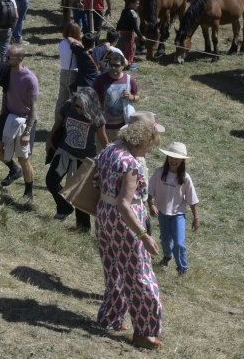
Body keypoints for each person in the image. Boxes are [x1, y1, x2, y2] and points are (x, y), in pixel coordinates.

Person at [95, 113, 166, 350]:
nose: (149, 149)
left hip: (104, 216)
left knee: (114, 269)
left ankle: (110, 317)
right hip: (125, 223)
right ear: (140, 139)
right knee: (141, 276)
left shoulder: (109, 150)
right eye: (149, 144)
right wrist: (143, 235)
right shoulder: (131, 164)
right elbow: (125, 205)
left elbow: (97, 180)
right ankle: (144, 332)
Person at [45, 87, 105, 231]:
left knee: (79, 195)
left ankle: (83, 228)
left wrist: (108, 159)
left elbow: (104, 140)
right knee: (51, 181)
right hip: (64, 152)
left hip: (84, 160)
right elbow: (58, 123)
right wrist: (49, 139)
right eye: (76, 104)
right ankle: (64, 207)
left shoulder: (97, 118)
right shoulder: (68, 106)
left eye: (81, 106)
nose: (77, 108)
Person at [0, 44, 38, 201]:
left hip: (24, 120)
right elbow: (5, 91)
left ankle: (29, 191)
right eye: (7, 55)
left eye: (11, 57)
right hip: (8, 115)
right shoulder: (7, 71)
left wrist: (27, 132)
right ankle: (13, 170)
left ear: (21, 59)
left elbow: (34, 109)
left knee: (23, 158)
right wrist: (2, 113)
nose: (7, 59)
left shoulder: (30, 79)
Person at [149, 141, 200, 275]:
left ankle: (182, 269)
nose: (174, 160)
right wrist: (151, 204)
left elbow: (192, 200)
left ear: (182, 161)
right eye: (171, 157)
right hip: (163, 213)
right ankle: (167, 256)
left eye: (177, 159)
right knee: (165, 239)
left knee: (179, 243)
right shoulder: (159, 173)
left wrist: (196, 217)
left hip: (178, 214)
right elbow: (150, 192)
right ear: (167, 158)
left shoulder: (185, 178)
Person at [94, 51, 139, 140]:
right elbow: (92, 97)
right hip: (103, 127)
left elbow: (137, 97)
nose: (113, 68)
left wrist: (131, 97)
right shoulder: (100, 79)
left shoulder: (129, 80)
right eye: (111, 65)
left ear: (123, 66)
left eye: (117, 65)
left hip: (122, 127)